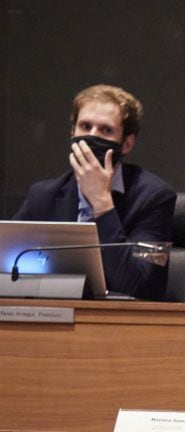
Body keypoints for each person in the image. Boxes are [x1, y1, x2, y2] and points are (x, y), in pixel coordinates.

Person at [13, 84, 176, 300]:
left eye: (105, 130)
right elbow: (8, 268)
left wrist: (102, 203)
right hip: (53, 317)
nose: (91, 137)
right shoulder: (43, 196)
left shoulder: (155, 198)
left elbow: (138, 285)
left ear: (127, 144)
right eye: (85, 126)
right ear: (72, 133)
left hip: (122, 323)